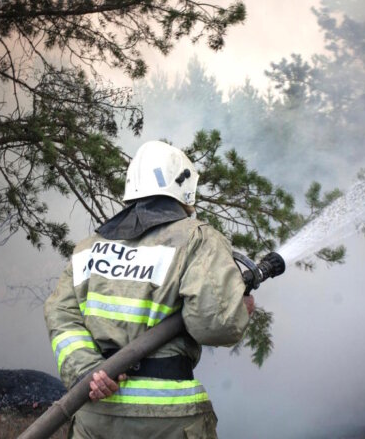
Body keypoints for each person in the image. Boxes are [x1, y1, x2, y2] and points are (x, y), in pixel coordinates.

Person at [43, 140, 255, 438]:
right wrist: (236, 309)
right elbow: (214, 326)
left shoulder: (89, 249)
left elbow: (61, 316)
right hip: (168, 419)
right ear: (185, 187)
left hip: (97, 414)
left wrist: (87, 371)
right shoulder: (196, 238)